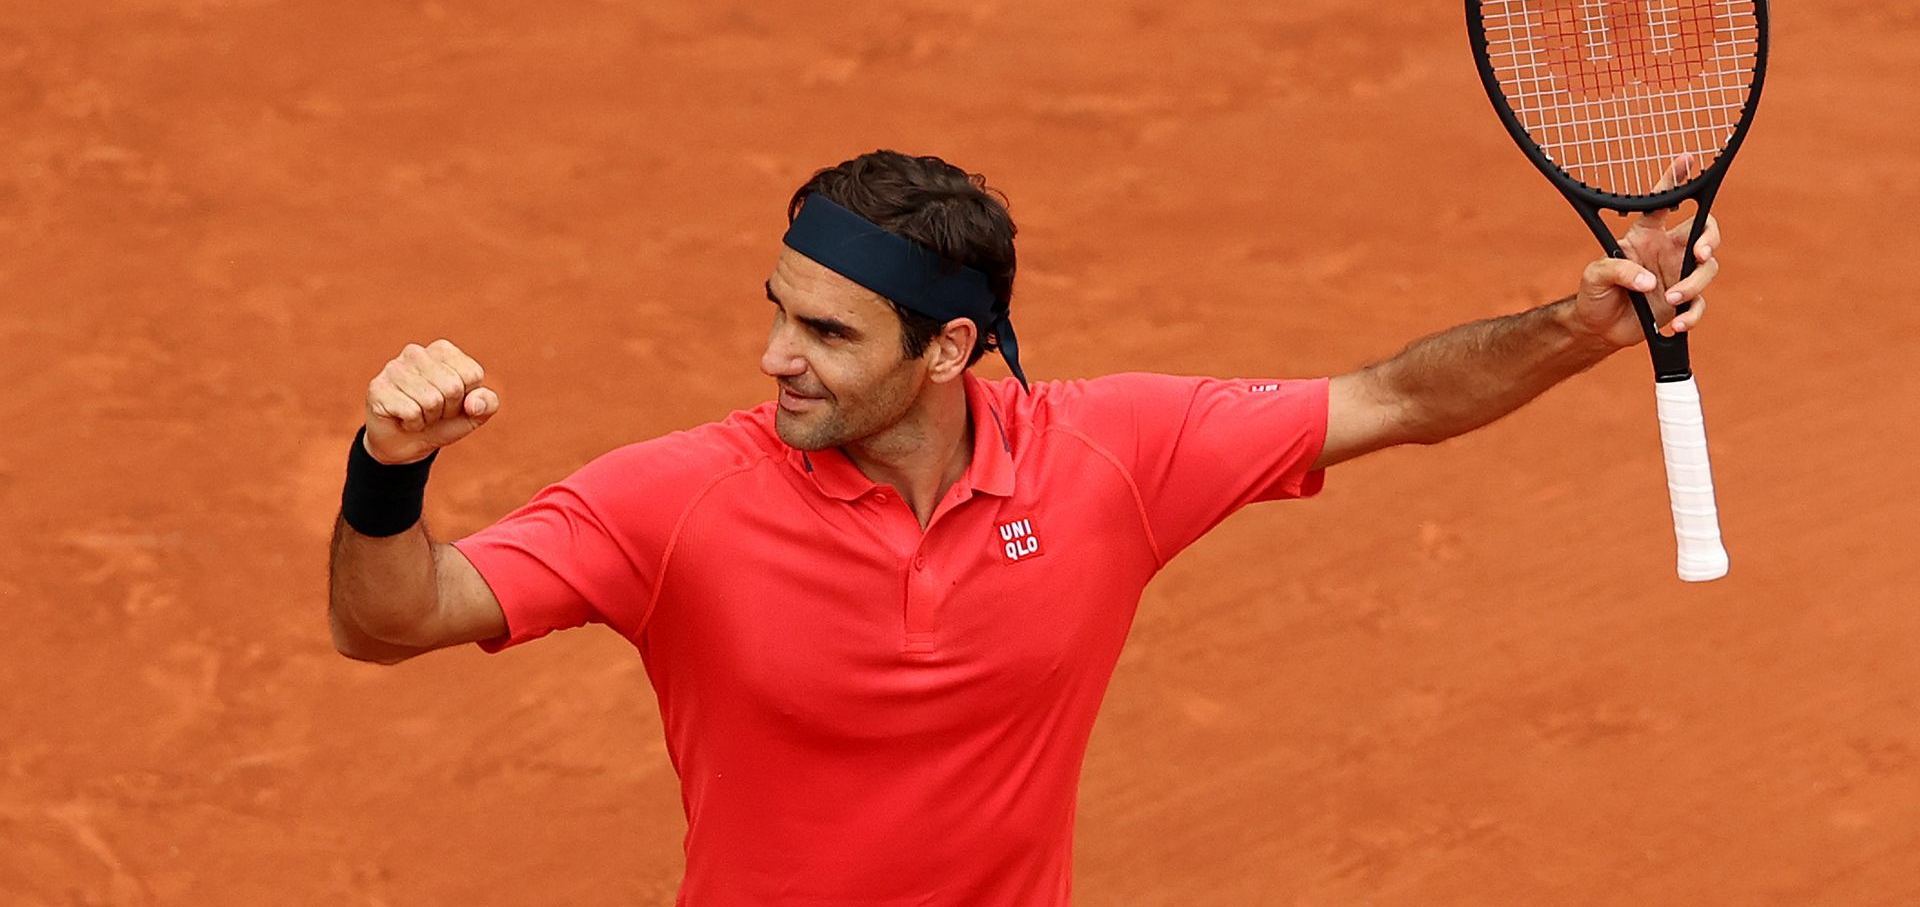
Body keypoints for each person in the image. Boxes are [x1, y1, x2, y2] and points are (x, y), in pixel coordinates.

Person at [327, 149, 1720, 906]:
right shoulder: (674, 502)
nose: (774, 358)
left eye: (824, 329)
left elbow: (1396, 397)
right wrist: (389, 467)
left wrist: (1586, 323)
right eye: (776, 309)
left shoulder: (1109, 457)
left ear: (946, 353)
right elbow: (393, 620)